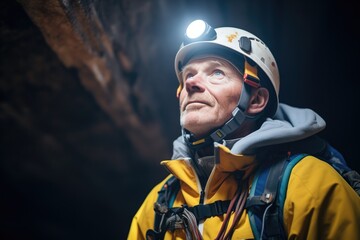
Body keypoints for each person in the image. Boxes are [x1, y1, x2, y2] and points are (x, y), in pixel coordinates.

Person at [127, 20, 360, 239]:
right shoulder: (159, 204)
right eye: (188, 74)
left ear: (256, 100)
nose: (190, 83)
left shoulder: (310, 184)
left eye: (217, 73)